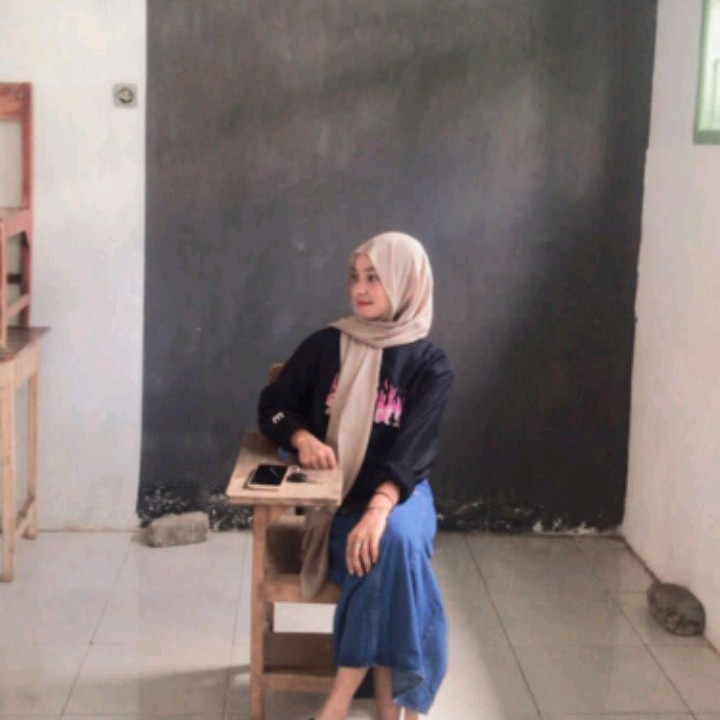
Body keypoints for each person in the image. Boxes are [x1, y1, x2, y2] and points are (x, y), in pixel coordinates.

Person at [257, 231, 454, 720]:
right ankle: (394, 707)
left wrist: (380, 508)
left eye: (374, 278)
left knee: (390, 540)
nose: (360, 289)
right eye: (355, 277)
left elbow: (414, 451)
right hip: (341, 499)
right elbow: (274, 405)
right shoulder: (327, 345)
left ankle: (339, 699)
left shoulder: (430, 365)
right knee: (393, 555)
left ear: (406, 283)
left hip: (401, 493)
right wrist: (301, 436)